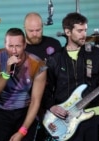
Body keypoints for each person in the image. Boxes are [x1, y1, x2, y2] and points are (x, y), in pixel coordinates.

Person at [42, 12, 99, 141]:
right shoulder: (55, 59)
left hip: (93, 115)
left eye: (85, 30)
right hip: (65, 118)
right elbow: (45, 90)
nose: (84, 34)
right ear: (67, 32)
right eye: (79, 31)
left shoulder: (98, 55)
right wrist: (52, 106)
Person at [0, 27, 47, 141]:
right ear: (5, 45)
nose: (14, 51)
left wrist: (22, 131)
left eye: (18, 46)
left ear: (24, 45)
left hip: (24, 112)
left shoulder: (37, 64)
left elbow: (35, 101)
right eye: (10, 46)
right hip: (1, 112)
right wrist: (7, 72)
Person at [23, 12, 62, 141]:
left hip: (52, 97)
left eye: (38, 30)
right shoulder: (18, 47)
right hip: (27, 101)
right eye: (31, 31)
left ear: (43, 27)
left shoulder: (54, 44)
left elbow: (62, 74)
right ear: (24, 29)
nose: (35, 34)